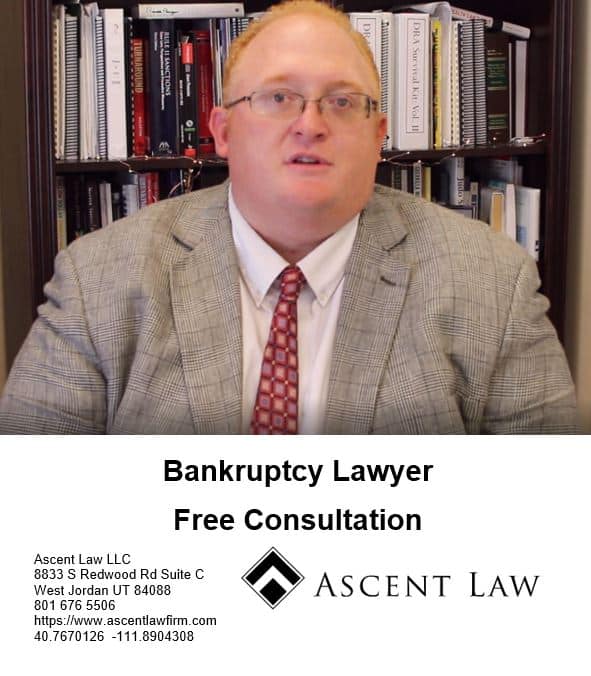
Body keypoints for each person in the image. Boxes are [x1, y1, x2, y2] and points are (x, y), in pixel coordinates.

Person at [0, 0, 578, 433]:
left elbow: (541, 515)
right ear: (224, 132)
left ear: (378, 136)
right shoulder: (99, 278)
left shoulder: (491, 282)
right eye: (278, 97)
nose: (310, 124)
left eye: (342, 101)